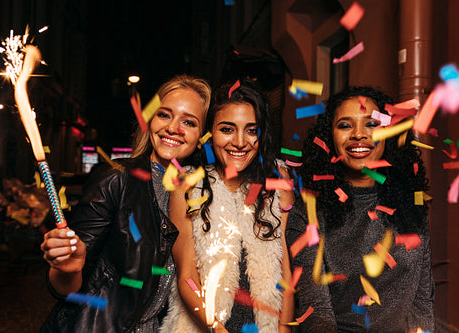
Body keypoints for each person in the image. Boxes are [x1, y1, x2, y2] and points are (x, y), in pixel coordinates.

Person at [39, 74, 211, 332]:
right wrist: (67, 269)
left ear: (201, 137)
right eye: (164, 115)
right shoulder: (116, 179)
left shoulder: (200, 195)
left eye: (188, 121)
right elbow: (66, 288)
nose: (173, 127)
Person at [286, 86, 435, 332]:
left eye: (371, 124)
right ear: (329, 138)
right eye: (345, 125)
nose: (358, 135)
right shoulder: (308, 212)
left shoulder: (412, 204)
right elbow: (317, 313)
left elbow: (422, 301)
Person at [160, 79, 294, 333]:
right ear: (209, 133)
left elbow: (284, 269)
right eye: (227, 129)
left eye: (252, 130)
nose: (240, 142)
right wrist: (217, 329)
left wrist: (284, 328)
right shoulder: (186, 185)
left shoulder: (278, 183)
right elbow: (187, 275)